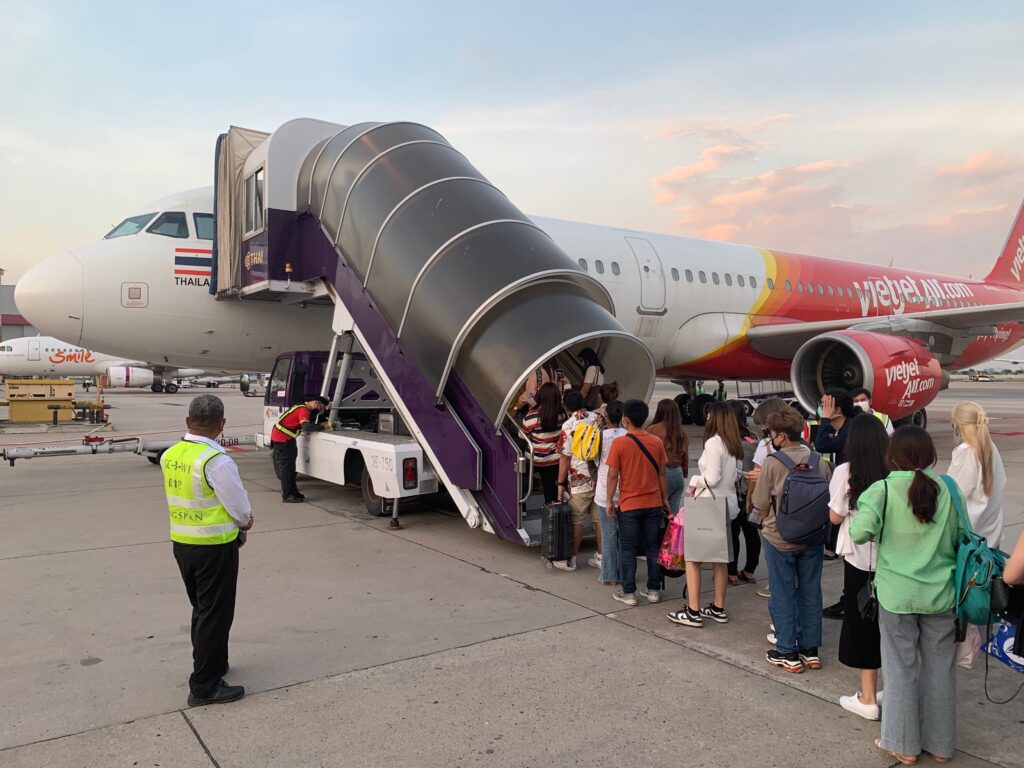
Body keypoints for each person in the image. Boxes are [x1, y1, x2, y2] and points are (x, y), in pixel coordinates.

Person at [850, 426, 964, 765]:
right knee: (941, 670)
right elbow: (963, 535)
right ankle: (941, 745)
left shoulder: (881, 490)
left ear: (892, 456)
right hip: (941, 594)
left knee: (900, 670)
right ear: (931, 455)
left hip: (897, 595)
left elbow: (859, 532)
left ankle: (902, 744)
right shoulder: (949, 489)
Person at [164, 395, 253, 706]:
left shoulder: (172, 454)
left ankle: (214, 664)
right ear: (222, 425)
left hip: (183, 544)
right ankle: (204, 685)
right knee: (215, 615)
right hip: (214, 547)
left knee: (203, 611)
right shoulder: (216, 461)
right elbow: (238, 506)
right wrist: (246, 521)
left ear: (188, 422)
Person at [751, 407, 833, 673]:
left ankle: (787, 650)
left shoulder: (774, 463)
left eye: (773, 434)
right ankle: (810, 650)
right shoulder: (818, 460)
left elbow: (760, 502)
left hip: (779, 537)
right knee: (811, 591)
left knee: (783, 591)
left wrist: (768, 519)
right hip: (813, 536)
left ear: (782, 437)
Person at [828, 414, 890, 720]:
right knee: (891, 627)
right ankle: (890, 689)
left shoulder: (846, 472)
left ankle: (867, 698)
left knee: (863, 624)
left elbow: (835, 517)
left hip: (859, 559)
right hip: (891, 561)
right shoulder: (893, 471)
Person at [668, 402, 744, 628]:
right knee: (720, 560)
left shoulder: (713, 443)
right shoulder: (734, 444)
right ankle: (718, 607)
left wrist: (694, 481)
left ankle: (692, 611)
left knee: (693, 560)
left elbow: (711, 477)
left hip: (707, 506)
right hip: (726, 505)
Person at [605, 399, 669, 606]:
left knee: (629, 549)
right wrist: (664, 499)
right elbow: (662, 474)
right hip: (653, 503)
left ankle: (629, 592)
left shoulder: (619, 443)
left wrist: (608, 500)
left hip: (630, 504)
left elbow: (613, 475)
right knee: (653, 547)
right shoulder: (656, 442)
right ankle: (653, 590)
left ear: (626, 419)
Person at [747, 398, 792, 598]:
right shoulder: (799, 442)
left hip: (771, 505)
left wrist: (749, 499)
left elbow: (755, 477)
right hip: (793, 502)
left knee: (771, 546)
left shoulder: (765, 445)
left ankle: (775, 586)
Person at [947, 401, 1006, 548]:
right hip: (992, 537)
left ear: (958, 426)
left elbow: (955, 493)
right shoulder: (991, 448)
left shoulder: (966, 452)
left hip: (970, 541)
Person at [557, 389, 603, 571]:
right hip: (599, 476)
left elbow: (564, 457)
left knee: (577, 520)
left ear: (566, 407)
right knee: (599, 519)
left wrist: (560, 484)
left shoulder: (568, 426)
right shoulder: (598, 418)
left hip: (578, 479)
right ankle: (601, 557)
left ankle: (572, 559)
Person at [270, 394, 329, 502]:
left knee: (291, 468)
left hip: (284, 438)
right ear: (317, 403)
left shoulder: (300, 406)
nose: (319, 412)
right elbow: (306, 427)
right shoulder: (304, 410)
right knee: (287, 469)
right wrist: (323, 427)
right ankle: (287, 495)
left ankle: (293, 492)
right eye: (320, 409)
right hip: (283, 440)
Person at [727, 400, 761, 586]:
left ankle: (731, 572)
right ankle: (750, 569)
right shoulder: (754, 437)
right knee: (751, 533)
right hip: (752, 491)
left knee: (732, 534)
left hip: (734, 492)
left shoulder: (727, 439)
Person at [594, 400, 626, 585]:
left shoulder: (600, 436)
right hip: (624, 491)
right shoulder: (628, 436)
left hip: (604, 490)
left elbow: (594, 460)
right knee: (623, 534)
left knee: (608, 535)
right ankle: (622, 573)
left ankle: (608, 574)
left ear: (606, 416)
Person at [522, 382, 565, 506]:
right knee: (550, 488)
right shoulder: (562, 415)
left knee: (519, 476)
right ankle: (551, 515)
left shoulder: (532, 416)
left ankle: (523, 508)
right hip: (554, 459)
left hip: (535, 459)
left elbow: (523, 435)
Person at [647, 398, 688, 514]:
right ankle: (672, 532)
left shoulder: (651, 429)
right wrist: (684, 471)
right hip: (677, 473)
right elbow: (685, 456)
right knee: (673, 514)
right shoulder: (681, 431)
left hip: (660, 473)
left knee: (657, 513)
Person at [815, 388, 856, 464]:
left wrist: (825, 419)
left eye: (825, 405)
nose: (820, 407)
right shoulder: (842, 428)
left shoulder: (850, 432)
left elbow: (821, 445)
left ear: (837, 410)